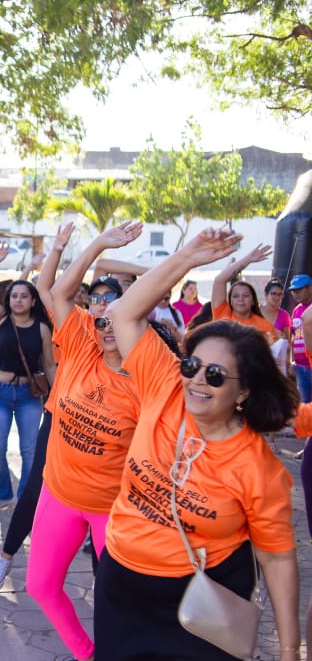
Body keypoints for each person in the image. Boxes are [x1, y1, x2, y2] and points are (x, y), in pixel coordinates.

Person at [94, 226, 300, 661]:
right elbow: (124, 313)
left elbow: (277, 560)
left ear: (244, 391)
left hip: (205, 603)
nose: (197, 381)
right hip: (121, 588)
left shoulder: (257, 467)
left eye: (216, 375)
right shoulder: (165, 386)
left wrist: (288, 650)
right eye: (192, 365)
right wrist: (187, 257)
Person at [24, 222, 144, 661]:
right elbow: (56, 291)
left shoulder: (146, 374)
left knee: (120, 599)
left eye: (119, 318)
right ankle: (86, 653)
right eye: (101, 318)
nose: (107, 326)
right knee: (40, 585)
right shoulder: (79, 345)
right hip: (59, 493)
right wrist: (96, 245)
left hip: (114, 508)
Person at [0, 252, 56, 513]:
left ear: (33, 300)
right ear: (9, 299)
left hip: (28, 395)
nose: (19, 300)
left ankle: (25, 499)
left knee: (30, 451)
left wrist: (56, 396)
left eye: (24, 296)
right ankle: (2, 492)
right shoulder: (0, 320)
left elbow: (49, 364)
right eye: (14, 296)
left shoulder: (42, 328)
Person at [210, 243, 276, 342]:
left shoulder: (265, 326)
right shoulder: (222, 314)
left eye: (245, 296)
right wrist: (248, 259)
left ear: (253, 301)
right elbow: (219, 280)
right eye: (235, 296)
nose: (240, 299)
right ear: (230, 301)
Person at [290, 274, 312, 403]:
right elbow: (293, 336)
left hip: (311, 363)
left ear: (310, 288)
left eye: (299, 290)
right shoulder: (296, 310)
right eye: (293, 291)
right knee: (304, 404)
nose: (296, 293)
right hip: (300, 366)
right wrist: (293, 361)